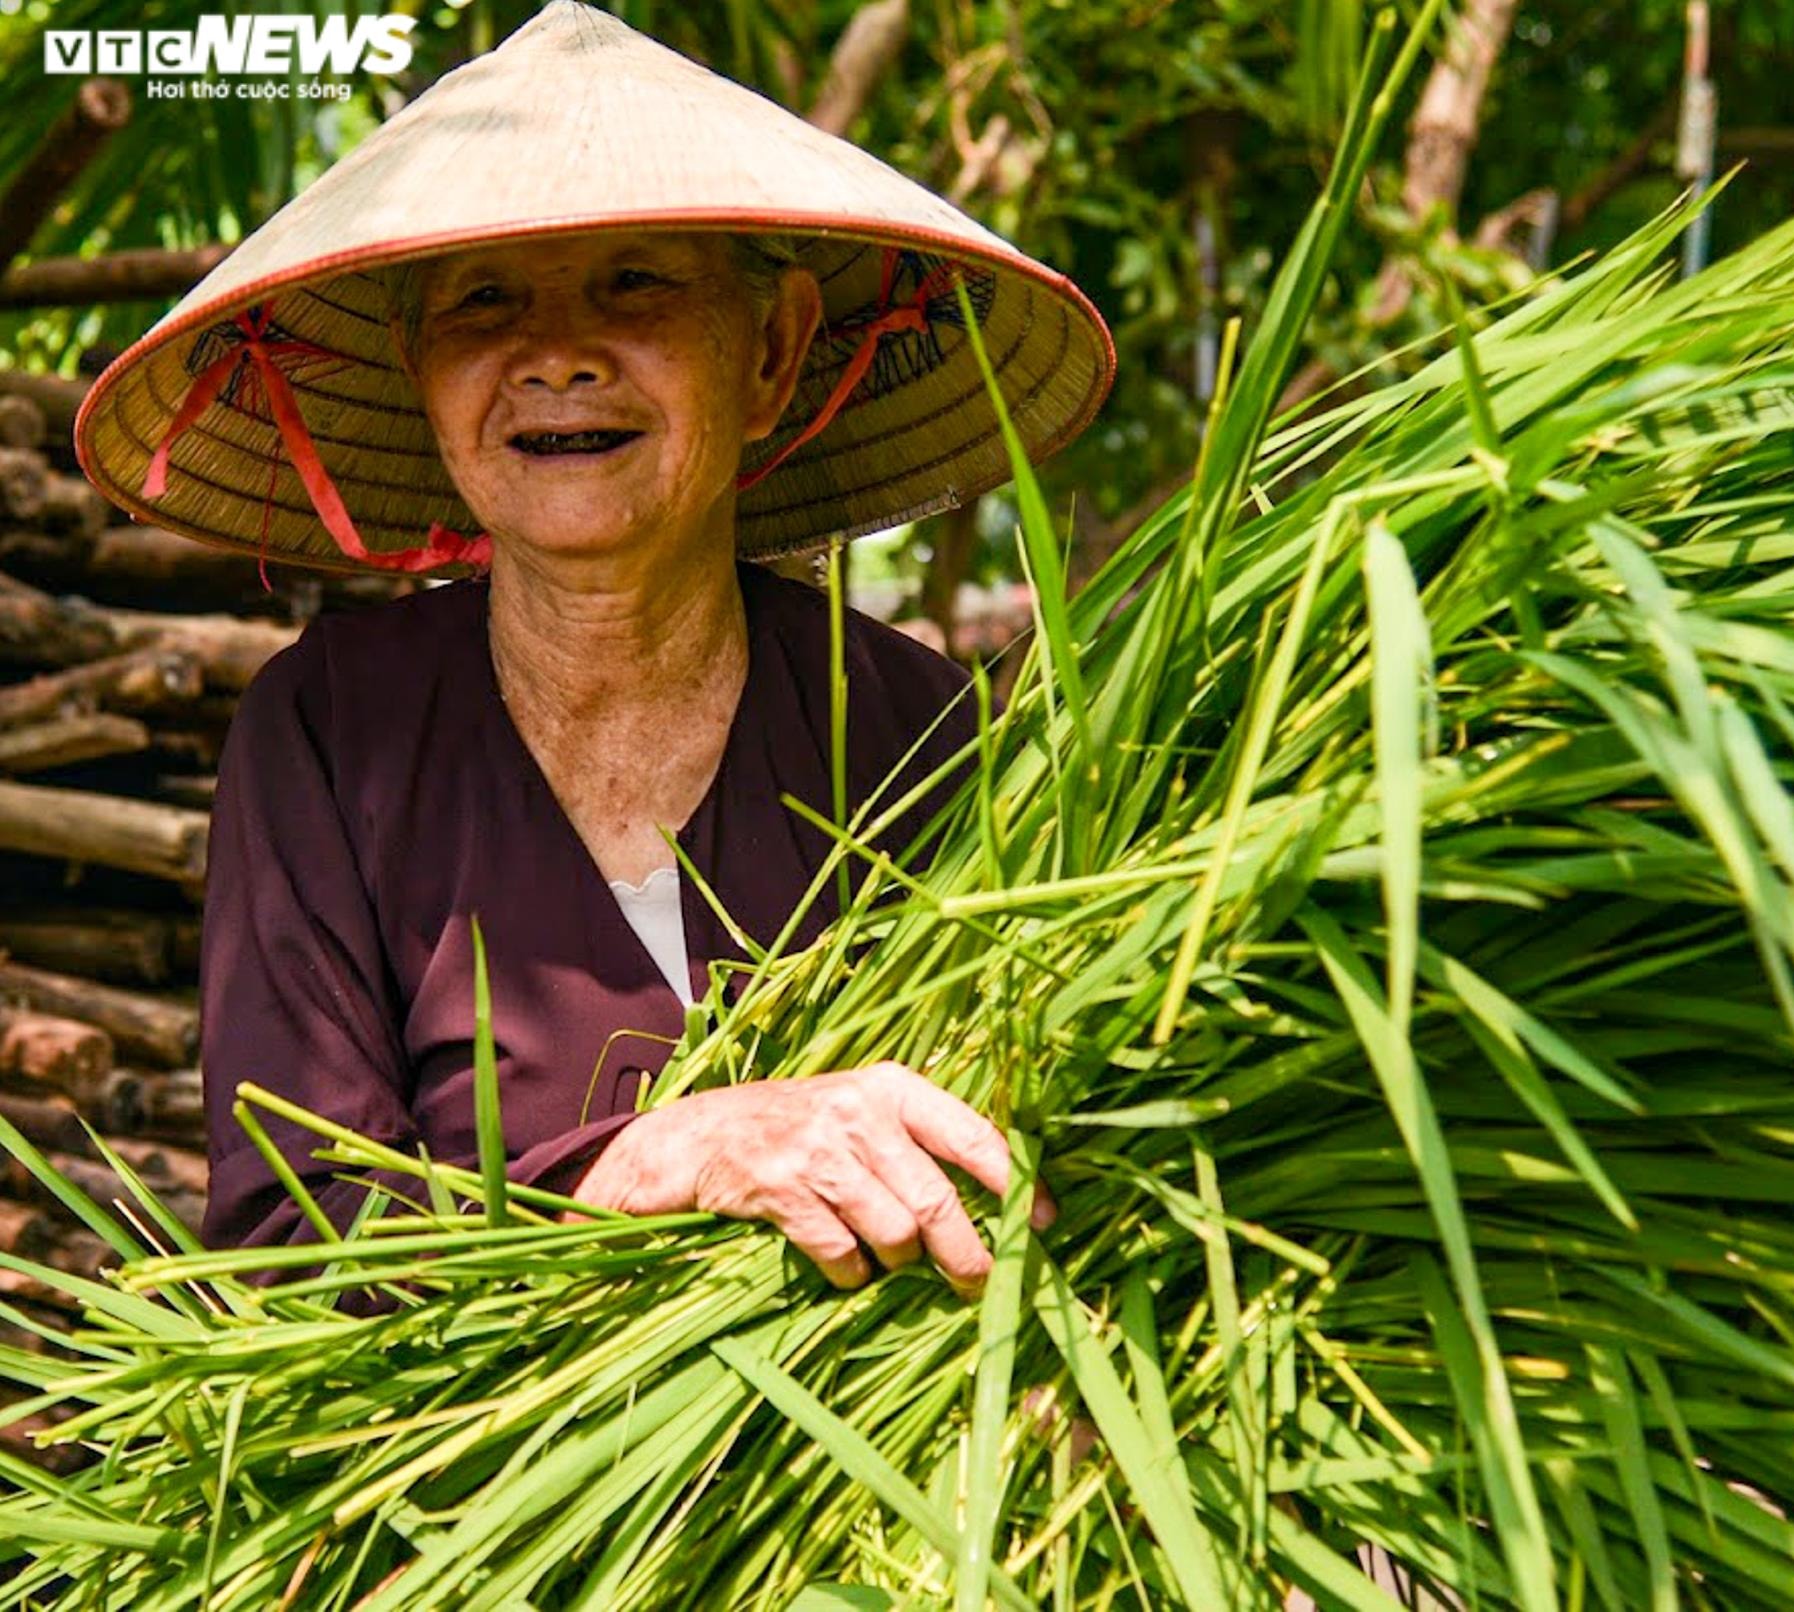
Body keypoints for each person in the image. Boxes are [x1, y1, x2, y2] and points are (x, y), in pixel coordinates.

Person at [73, 1, 1114, 1297]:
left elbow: (1029, 1163)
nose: (556, 357)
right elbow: (294, 1246)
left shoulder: (921, 736)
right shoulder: (332, 736)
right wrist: (647, 1164)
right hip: (449, 1492)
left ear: (773, 353)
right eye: (486, 301)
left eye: (636, 284)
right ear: (420, 369)